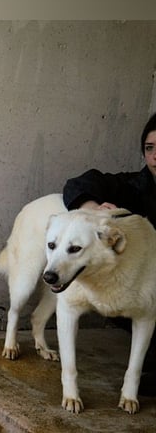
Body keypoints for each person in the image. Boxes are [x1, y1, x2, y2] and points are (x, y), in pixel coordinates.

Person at [62, 111, 156, 388]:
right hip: (137, 288)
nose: (155, 156)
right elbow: (79, 184)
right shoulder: (134, 187)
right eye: (150, 148)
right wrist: (91, 209)